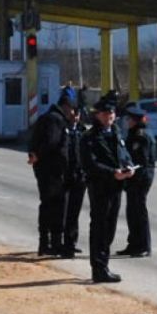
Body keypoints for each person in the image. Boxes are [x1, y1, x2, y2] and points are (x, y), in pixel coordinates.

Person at [80, 94, 134, 283]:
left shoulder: (116, 132)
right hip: (100, 186)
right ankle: (98, 268)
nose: (109, 116)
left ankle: (104, 264)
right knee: (100, 226)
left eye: (111, 113)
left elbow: (124, 155)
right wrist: (112, 172)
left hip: (116, 185)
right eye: (105, 113)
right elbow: (90, 164)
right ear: (97, 115)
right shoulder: (90, 137)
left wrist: (129, 167)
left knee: (110, 227)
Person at [27, 88, 77, 257]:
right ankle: (51, 244)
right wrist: (38, 156)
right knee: (54, 207)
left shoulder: (48, 118)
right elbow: (51, 142)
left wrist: (35, 156)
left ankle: (48, 243)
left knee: (50, 206)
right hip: (52, 171)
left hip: (48, 170)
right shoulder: (56, 120)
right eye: (71, 109)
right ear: (66, 106)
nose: (72, 113)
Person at [118, 106, 156, 257]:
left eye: (129, 119)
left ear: (135, 120)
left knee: (139, 211)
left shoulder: (141, 136)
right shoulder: (134, 133)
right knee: (131, 211)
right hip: (134, 177)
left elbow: (141, 160)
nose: (127, 122)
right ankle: (133, 244)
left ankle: (144, 245)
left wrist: (132, 174)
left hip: (140, 177)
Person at [62, 96, 87, 258]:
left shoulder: (83, 131)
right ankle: (61, 243)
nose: (75, 116)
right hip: (64, 175)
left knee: (74, 211)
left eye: (78, 114)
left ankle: (71, 243)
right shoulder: (61, 129)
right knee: (63, 211)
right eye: (73, 113)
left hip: (79, 175)